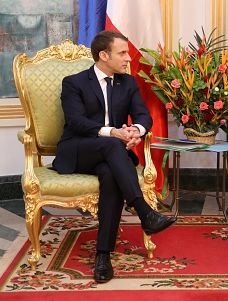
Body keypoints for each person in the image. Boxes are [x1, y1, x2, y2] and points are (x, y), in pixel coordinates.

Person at [53, 30, 177, 283]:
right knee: (111, 144)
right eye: (122, 53)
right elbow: (76, 122)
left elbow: (143, 115)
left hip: (110, 156)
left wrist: (135, 130)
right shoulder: (74, 83)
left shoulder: (128, 83)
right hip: (78, 149)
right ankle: (144, 211)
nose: (128, 59)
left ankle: (102, 255)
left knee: (110, 175)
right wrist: (115, 133)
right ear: (103, 55)